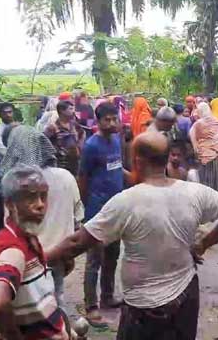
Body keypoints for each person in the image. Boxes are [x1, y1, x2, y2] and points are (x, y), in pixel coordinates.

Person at [46, 132, 218, 340]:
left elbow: (77, 242)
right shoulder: (195, 193)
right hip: (185, 299)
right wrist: (204, 243)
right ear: (166, 158)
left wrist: (38, 259)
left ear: (137, 161)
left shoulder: (126, 202)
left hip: (143, 308)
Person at [0, 125, 83, 309]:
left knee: (31, 307)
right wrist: (70, 255)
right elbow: (77, 221)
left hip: (28, 260)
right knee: (57, 301)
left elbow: (11, 227)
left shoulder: (15, 185)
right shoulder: (66, 177)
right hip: (60, 255)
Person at [0, 165, 70, 340]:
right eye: (30, 198)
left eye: (43, 196)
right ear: (10, 204)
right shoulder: (13, 250)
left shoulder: (27, 237)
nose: (40, 205)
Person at [78, 102, 125, 326]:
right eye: (107, 119)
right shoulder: (91, 146)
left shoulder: (116, 140)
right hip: (97, 210)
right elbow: (83, 178)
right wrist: (86, 207)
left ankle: (107, 296)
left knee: (113, 255)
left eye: (115, 118)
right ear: (98, 121)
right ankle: (91, 306)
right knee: (94, 259)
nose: (112, 123)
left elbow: (117, 168)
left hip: (116, 208)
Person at [189, 102, 218, 192]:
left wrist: (197, 148)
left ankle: (204, 196)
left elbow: (192, 134)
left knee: (203, 179)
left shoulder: (199, 123)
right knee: (214, 179)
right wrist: (215, 145)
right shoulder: (217, 122)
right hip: (215, 156)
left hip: (202, 155)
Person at [45, 100, 85, 176]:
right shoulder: (53, 127)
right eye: (70, 109)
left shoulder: (74, 124)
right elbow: (44, 142)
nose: (73, 111)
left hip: (75, 163)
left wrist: (79, 146)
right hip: (60, 164)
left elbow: (82, 133)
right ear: (62, 111)